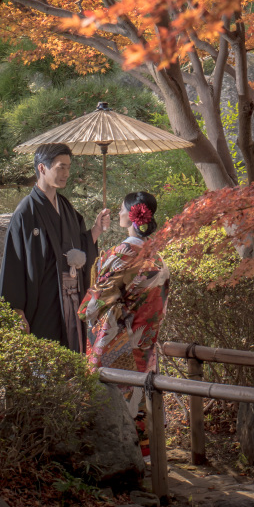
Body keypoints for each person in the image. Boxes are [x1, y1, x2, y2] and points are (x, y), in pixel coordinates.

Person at [78, 190, 170, 456]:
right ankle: (144, 451)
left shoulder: (123, 253)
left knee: (114, 396)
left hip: (120, 340)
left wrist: (86, 305)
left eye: (121, 209)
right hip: (146, 338)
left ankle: (117, 455)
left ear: (131, 215)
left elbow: (95, 305)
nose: (117, 213)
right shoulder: (157, 255)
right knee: (142, 392)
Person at [0, 141, 110, 350]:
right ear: (42, 168)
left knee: (75, 351)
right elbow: (14, 264)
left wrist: (95, 230)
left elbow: (79, 246)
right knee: (47, 352)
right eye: (61, 167)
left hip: (73, 298)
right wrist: (16, 311)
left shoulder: (65, 206)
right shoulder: (25, 213)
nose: (67, 173)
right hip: (44, 301)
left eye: (68, 167)